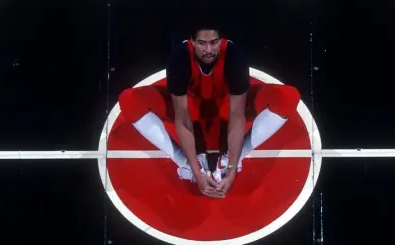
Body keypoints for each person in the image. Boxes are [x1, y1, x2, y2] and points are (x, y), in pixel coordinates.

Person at [118, 24, 301, 198]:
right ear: (192, 41)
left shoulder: (234, 57)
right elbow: (183, 119)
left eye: (214, 43)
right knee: (129, 100)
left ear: (221, 40)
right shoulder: (180, 57)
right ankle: (184, 164)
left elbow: (237, 116)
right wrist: (196, 170)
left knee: (288, 97)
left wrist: (231, 168)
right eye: (202, 43)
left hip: (225, 105)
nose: (208, 49)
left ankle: (227, 160)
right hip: (191, 106)